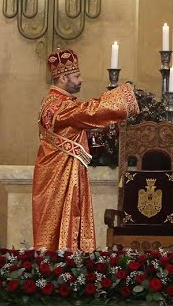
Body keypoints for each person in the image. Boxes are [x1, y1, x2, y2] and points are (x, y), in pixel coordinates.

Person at [32, 48, 139, 251]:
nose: (81, 80)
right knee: (60, 228)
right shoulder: (59, 106)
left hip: (63, 172)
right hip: (60, 176)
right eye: (76, 76)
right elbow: (90, 111)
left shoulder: (54, 102)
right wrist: (124, 96)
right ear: (63, 78)